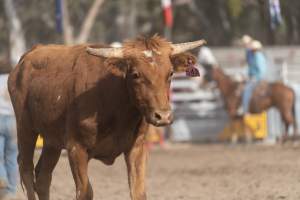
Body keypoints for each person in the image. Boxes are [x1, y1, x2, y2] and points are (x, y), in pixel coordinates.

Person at [0, 73, 18, 200]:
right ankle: (11, 190)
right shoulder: (16, 78)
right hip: (13, 120)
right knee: (12, 156)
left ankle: (3, 179)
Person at [242, 40, 267, 114]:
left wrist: (254, 78)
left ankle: (245, 110)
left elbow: (261, 70)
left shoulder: (257, 56)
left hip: (256, 78)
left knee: (246, 91)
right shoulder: (257, 56)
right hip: (254, 77)